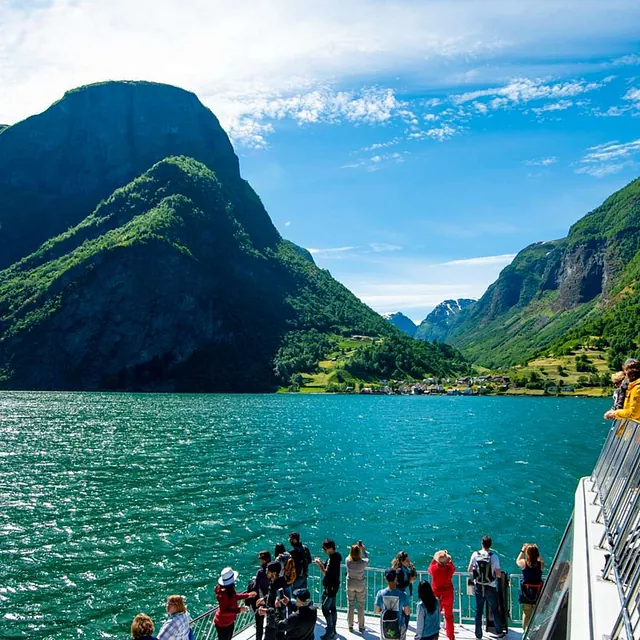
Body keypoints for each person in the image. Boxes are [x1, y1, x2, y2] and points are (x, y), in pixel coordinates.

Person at [467, 536, 505, 640]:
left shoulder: (475, 554)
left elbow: (469, 569)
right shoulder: (494, 557)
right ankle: (499, 632)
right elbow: (498, 574)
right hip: (491, 586)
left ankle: (478, 635)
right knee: (495, 609)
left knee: (479, 610)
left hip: (478, 586)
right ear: (490, 544)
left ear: (481, 544)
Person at [214, 567, 257, 640]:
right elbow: (223, 612)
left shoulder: (229, 590)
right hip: (222, 624)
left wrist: (248, 595)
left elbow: (234, 597)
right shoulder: (222, 595)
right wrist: (239, 610)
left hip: (229, 621)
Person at [314, 538, 342, 640]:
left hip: (329, 587)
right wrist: (322, 563)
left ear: (330, 548)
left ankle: (331, 631)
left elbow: (326, 573)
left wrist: (319, 564)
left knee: (325, 608)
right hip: (334, 586)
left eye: (325, 548)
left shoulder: (332, 559)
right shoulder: (336, 556)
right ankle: (333, 629)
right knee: (332, 607)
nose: (324, 550)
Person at [375, 568, 411, 640]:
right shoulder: (402, 594)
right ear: (396, 578)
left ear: (385, 579)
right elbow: (407, 612)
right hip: (399, 626)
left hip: (385, 626)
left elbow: (377, 610)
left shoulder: (380, 594)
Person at [257, 561, 289, 640]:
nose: (266, 572)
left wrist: (265, 611)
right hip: (279, 621)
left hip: (274, 622)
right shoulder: (276, 581)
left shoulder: (277, 587)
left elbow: (279, 607)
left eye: (268, 571)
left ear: (274, 573)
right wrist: (264, 598)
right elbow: (272, 595)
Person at [516, 544, 545, 630]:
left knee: (526, 614)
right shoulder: (541, 564)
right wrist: (536, 552)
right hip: (537, 593)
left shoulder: (524, 563)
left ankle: (525, 632)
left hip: (526, 594)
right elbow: (541, 560)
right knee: (536, 613)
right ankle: (535, 630)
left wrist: (522, 550)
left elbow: (517, 560)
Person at [428, 550, 455, 640]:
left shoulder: (434, 569)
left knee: (435, 616)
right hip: (448, 595)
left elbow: (430, 567)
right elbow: (452, 566)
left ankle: (435, 635)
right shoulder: (449, 569)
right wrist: (448, 560)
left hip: (436, 595)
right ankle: (451, 636)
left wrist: (435, 559)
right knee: (449, 616)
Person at [346, 541, 369, 633]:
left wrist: (354, 549)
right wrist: (363, 549)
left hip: (350, 584)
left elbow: (349, 556)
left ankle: (350, 626)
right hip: (360, 585)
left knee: (350, 605)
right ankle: (361, 626)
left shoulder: (347, 561)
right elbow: (367, 557)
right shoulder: (363, 563)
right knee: (360, 606)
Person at [253, 551, 273, 640]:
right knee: (271, 622)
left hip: (261, 599)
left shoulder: (260, 572)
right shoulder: (274, 568)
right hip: (271, 599)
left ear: (263, 560)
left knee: (259, 624)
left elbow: (255, 587)